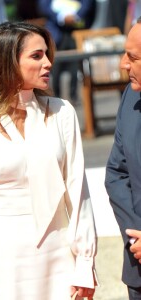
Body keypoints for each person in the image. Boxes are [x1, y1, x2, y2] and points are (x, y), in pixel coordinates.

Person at [0, 21, 97, 299]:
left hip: (59, 252)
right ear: (7, 62)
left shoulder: (62, 113)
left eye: (47, 54)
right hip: (6, 257)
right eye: (37, 56)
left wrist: (85, 261)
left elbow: (78, 191)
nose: (49, 62)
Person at [105, 17, 141, 300]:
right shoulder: (130, 97)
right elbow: (117, 173)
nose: (122, 64)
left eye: (133, 56)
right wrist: (136, 233)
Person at [38, 0, 96, 104]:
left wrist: (75, 16)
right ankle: (55, 97)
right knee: (54, 67)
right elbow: (44, 6)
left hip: (75, 31)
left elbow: (87, 3)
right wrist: (61, 17)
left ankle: (73, 96)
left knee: (76, 66)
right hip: (57, 33)